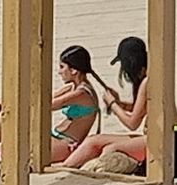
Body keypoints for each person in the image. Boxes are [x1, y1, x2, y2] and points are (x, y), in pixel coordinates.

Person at [0, 44, 99, 167]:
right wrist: (4, 102)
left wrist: (8, 104)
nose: (59, 72)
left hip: (66, 145)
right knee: (7, 126)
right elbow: (38, 98)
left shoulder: (82, 94)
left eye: (62, 67)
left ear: (73, 70)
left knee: (10, 134)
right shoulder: (72, 88)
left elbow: (44, 106)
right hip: (56, 138)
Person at [61, 36, 153, 168]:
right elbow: (141, 108)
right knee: (94, 141)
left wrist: (113, 104)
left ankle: (75, 168)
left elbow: (132, 123)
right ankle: (65, 166)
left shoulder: (146, 82)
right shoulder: (149, 78)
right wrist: (120, 104)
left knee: (111, 150)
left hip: (159, 139)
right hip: (151, 136)